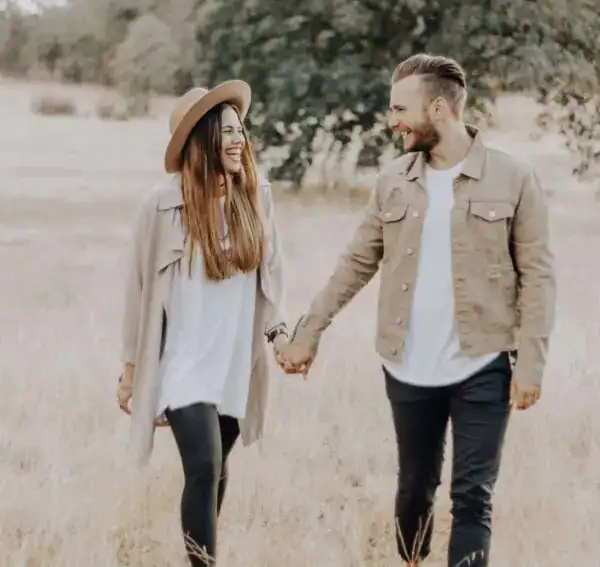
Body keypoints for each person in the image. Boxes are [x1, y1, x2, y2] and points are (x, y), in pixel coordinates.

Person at [280, 54, 556, 567]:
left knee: (473, 496)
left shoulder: (513, 177)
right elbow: (356, 262)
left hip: (484, 363)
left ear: (438, 107)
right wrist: (309, 331)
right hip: (406, 363)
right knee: (414, 491)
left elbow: (539, 276)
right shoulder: (393, 181)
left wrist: (532, 363)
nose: (392, 122)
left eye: (399, 109)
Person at [116, 80, 288, 567]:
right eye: (227, 131)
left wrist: (280, 335)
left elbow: (271, 275)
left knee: (216, 469)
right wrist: (130, 369)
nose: (240, 140)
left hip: (234, 362)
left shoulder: (257, 197)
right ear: (201, 140)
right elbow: (138, 291)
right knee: (203, 465)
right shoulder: (162, 206)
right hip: (183, 364)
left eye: (241, 130)